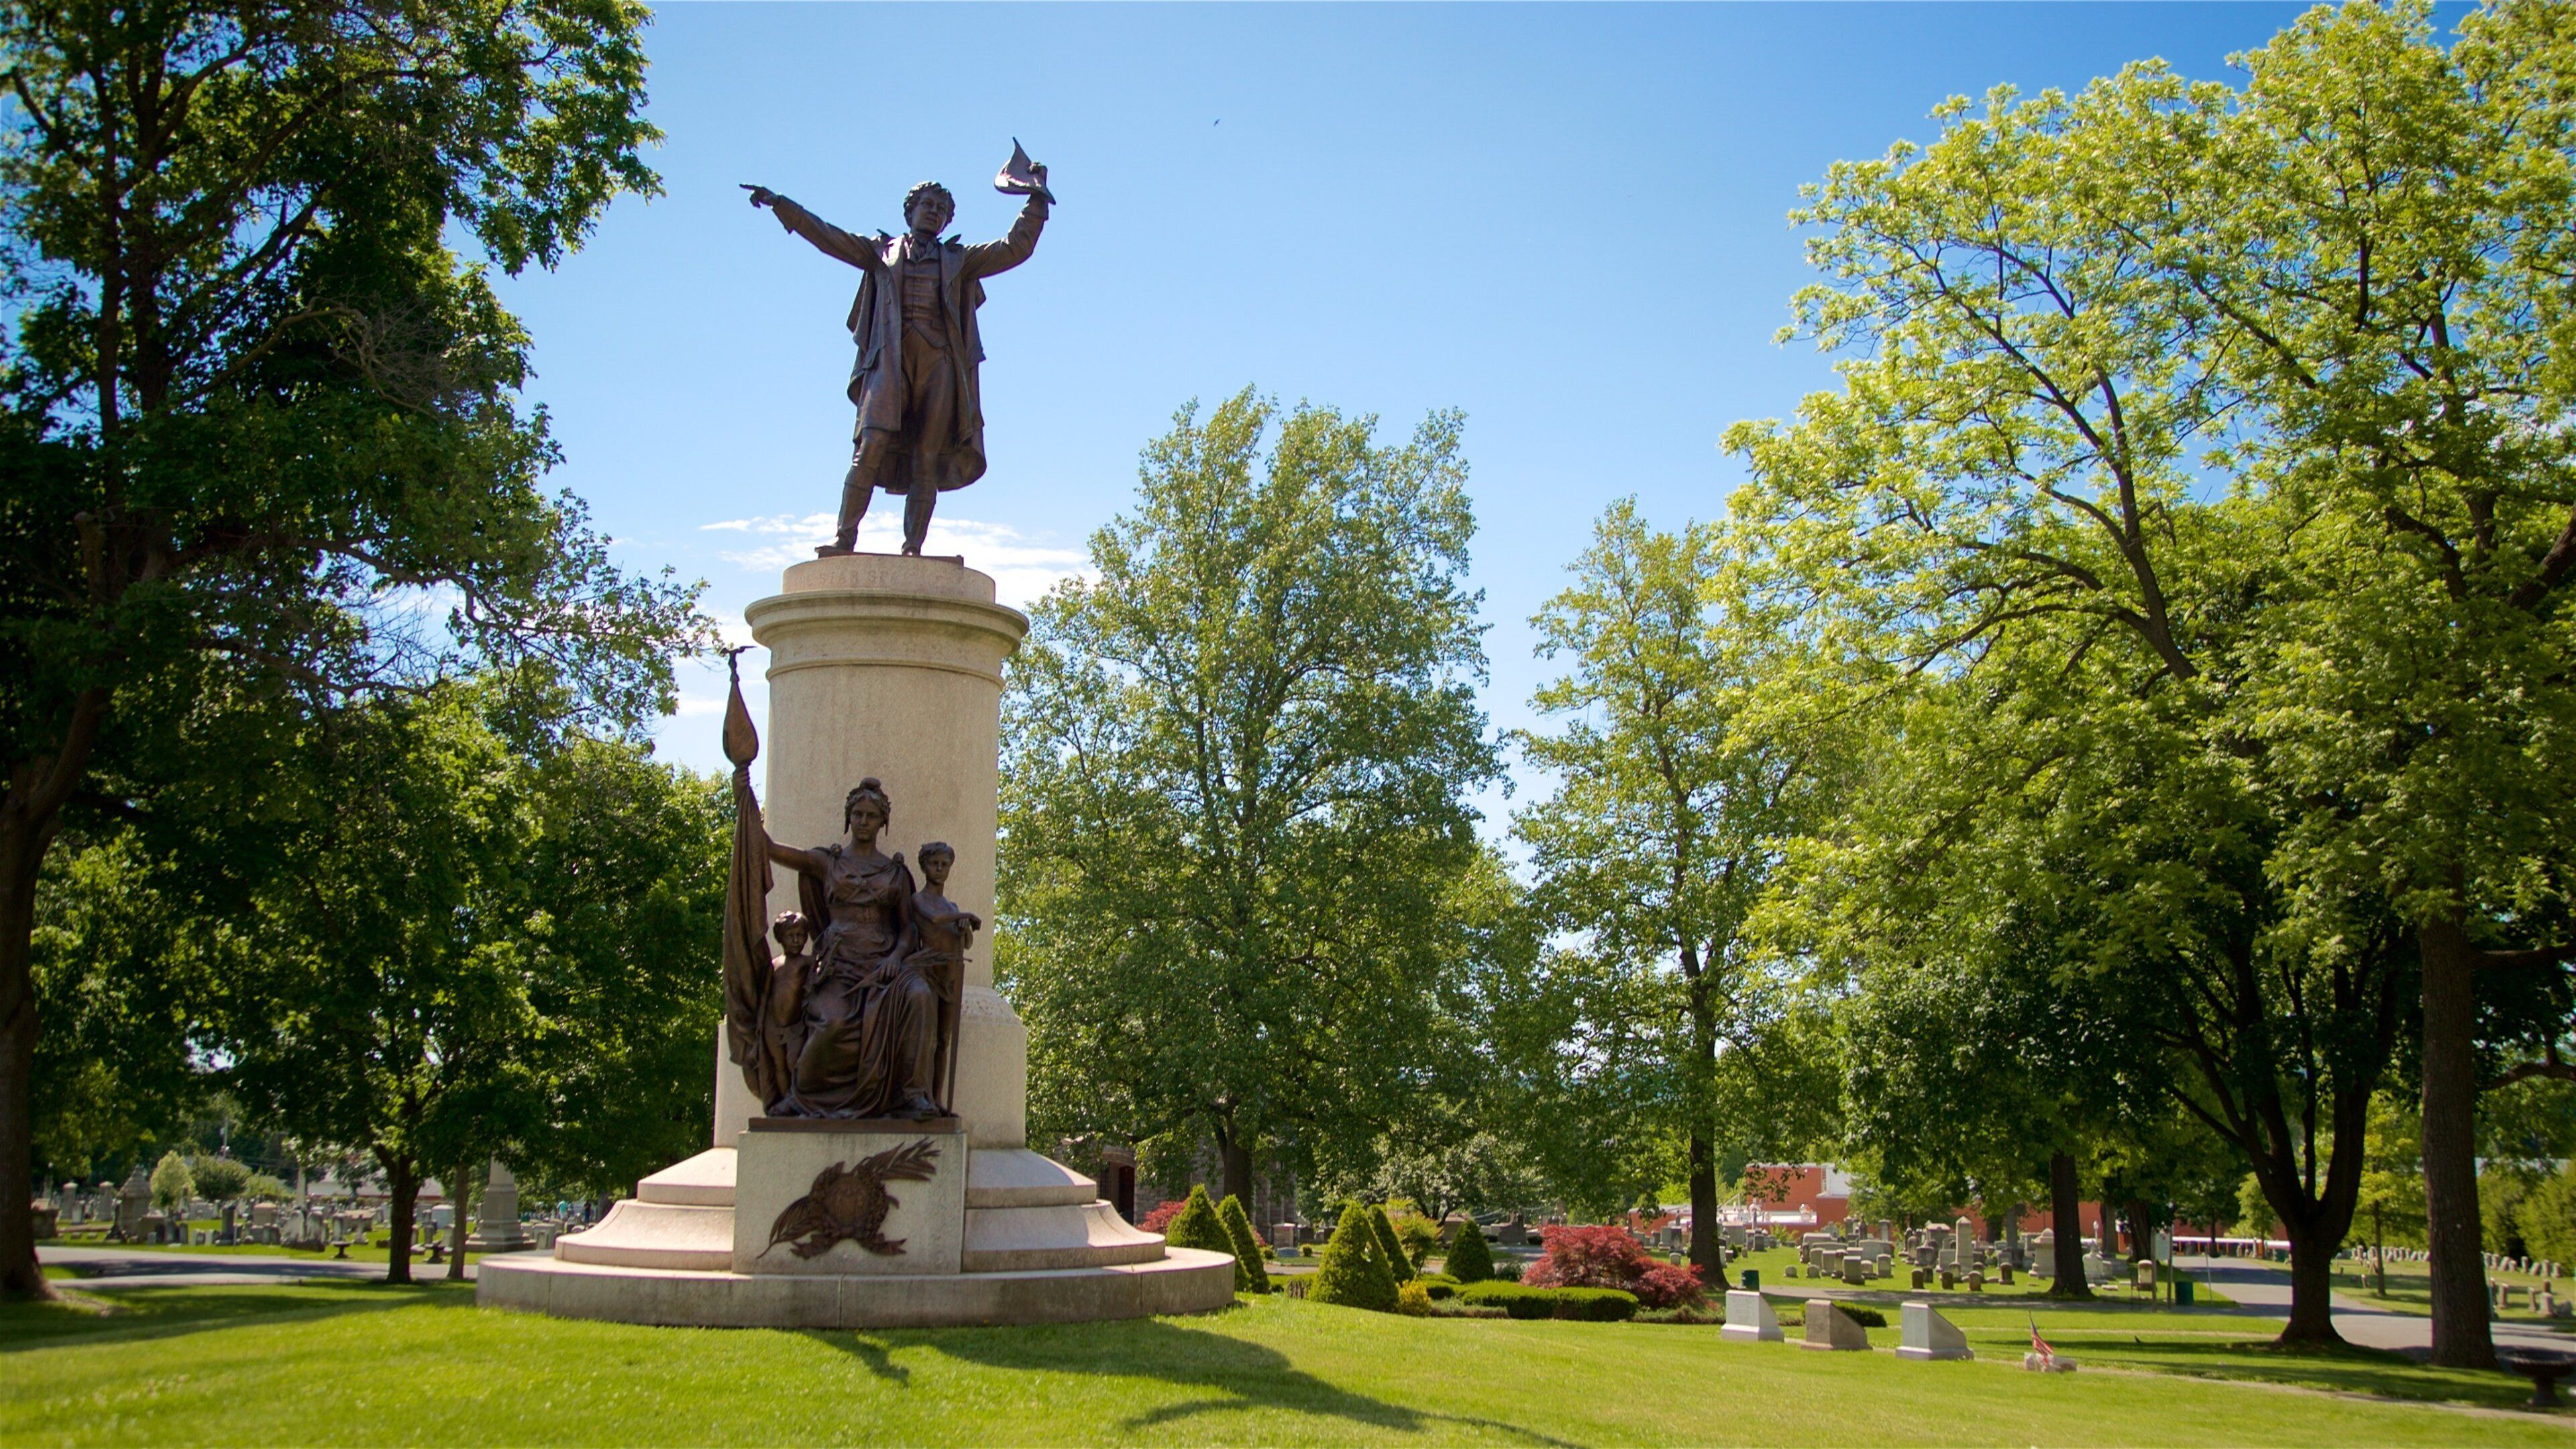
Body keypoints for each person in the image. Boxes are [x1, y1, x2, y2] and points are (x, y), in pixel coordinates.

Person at [745, 172, 1049, 555]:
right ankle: (844, 537)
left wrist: (1036, 199)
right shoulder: (880, 252)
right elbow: (828, 237)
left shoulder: (959, 260)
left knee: (927, 457)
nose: (934, 212)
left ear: (947, 221)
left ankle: (913, 548)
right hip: (890, 359)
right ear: (910, 212)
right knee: (870, 445)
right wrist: (781, 204)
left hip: (939, 363)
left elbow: (1014, 248)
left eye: (942, 209)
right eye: (927, 205)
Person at [762, 779, 941, 1117]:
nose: (863, 821)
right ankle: (800, 1096)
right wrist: (744, 797)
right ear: (848, 818)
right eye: (857, 814)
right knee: (832, 1022)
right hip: (839, 968)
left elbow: (907, 929)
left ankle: (911, 1094)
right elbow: (771, 849)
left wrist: (895, 958)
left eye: (871, 816)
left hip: (885, 966)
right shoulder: (828, 863)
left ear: (883, 822)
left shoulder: (895, 872)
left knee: (919, 995)